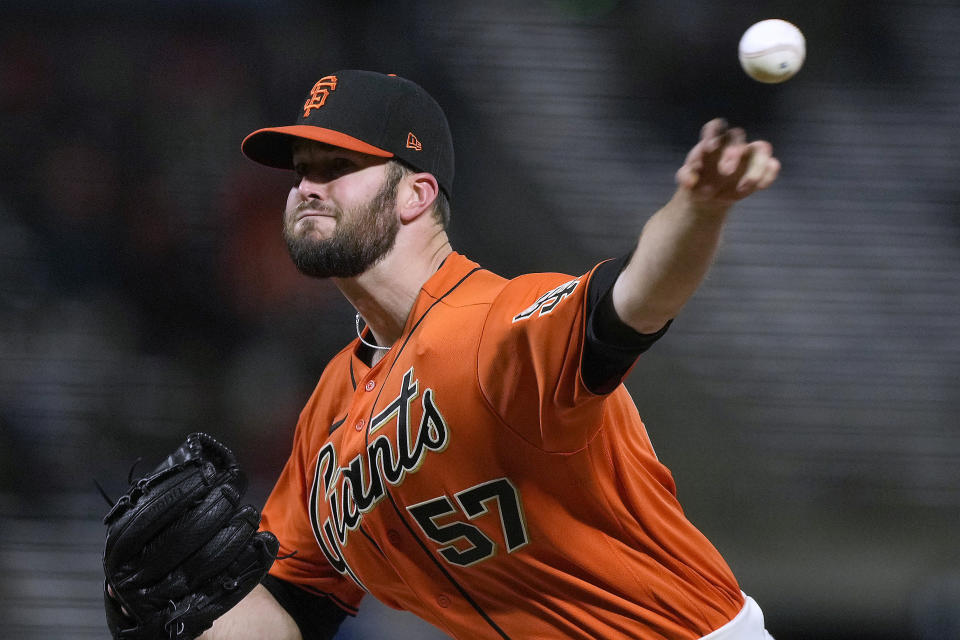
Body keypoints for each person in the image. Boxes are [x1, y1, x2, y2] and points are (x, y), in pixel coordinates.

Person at [206, 69, 780, 639]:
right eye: (302, 170)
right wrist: (162, 618)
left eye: (338, 167)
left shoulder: (497, 321)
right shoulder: (327, 409)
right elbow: (293, 607)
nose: (308, 186)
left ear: (416, 194)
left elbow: (635, 299)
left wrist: (699, 210)